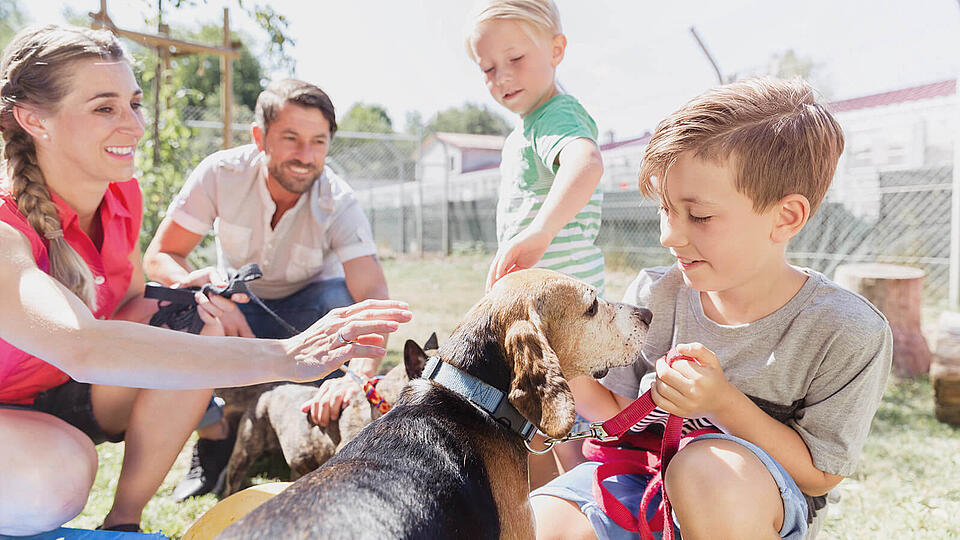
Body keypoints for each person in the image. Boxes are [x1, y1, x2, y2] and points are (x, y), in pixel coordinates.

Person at [0, 25, 411, 536]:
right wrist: (286, 356)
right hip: (21, 400)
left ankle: (124, 522)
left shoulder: (121, 198)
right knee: (59, 475)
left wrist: (189, 301)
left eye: (134, 103)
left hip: (64, 389)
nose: (133, 125)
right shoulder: (4, 228)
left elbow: (126, 306)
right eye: (105, 108)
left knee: (198, 316)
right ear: (33, 119)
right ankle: (215, 425)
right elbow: (83, 345)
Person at [530, 77, 893, 540]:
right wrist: (561, 362)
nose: (669, 236)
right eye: (665, 209)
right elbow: (615, 411)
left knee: (705, 471)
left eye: (698, 215)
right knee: (543, 523)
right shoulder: (655, 295)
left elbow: (819, 474)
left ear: (786, 217)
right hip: (640, 478)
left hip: (742, 504)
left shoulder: (846, 331)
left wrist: (723, 403)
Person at [142, 79, 392, 499]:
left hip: (308, 317)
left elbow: (373, 296)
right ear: (260, 137)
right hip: (239, 306)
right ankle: (214, 436)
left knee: (339, 300)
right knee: (169, 308)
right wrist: (204, 292)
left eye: (318, 142)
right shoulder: (220, 173)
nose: (306, 156)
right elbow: (162, 254)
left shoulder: (339, 201)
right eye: (291, 138)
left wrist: (360, 378)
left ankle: (306, 424)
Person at [465, 0, 605, 485]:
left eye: (515, 59)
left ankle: (590, 498)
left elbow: (584, 164)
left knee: (566, 407)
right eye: (488, 68)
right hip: (539, 302)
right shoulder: (525, 128)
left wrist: (540, 231)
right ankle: (549, 500)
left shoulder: (556, 115)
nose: (502, 76)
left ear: (556, 49)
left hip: (563, 305)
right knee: (531, 410)